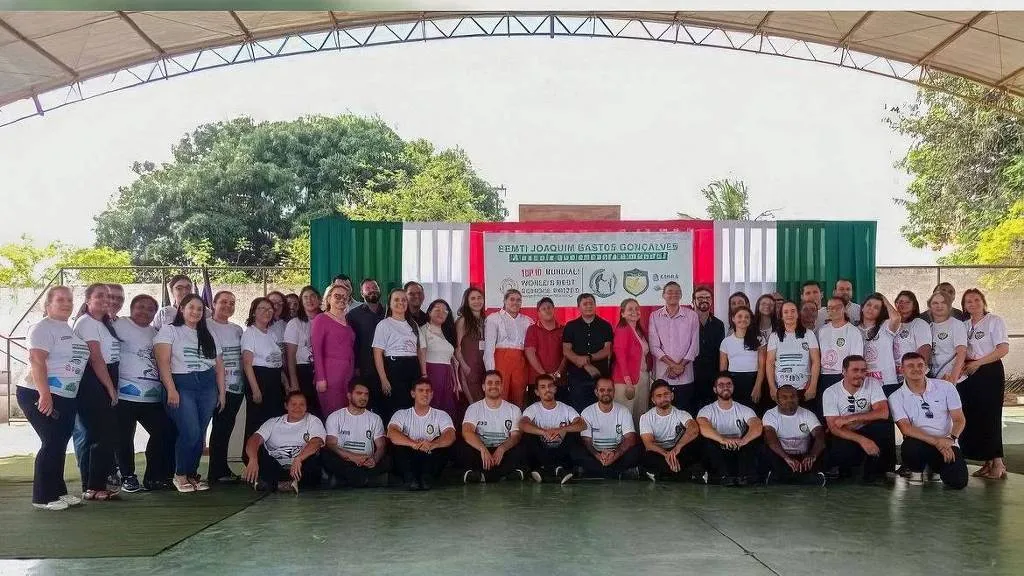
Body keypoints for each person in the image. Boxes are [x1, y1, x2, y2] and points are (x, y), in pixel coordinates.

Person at [18, 286, 87, 510]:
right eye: (60, 300)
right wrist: (44, 394)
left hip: (66, 395)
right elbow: (37, 360)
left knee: (59, 443)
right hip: (39, 392)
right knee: (51, 442)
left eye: (69, 299)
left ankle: (58, 492)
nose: (67, 303)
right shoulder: (42, 328)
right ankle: (42, 497)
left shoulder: (68, 328)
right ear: (47, 305)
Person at [154, 293, 225, 492]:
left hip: (207, 385)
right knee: (190, 431)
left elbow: (219, 365)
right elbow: (163, 362)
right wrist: (171, 389)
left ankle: (192, 474)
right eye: (191, 307)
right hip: (182, 384)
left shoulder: (208, 333)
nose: (195, 312)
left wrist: (222, 393)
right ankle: (180, 474)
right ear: (181, 309)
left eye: (200, 309)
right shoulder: (169, 330)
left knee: (200, 433)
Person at [113, 294, 174, 492]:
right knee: (124, 437)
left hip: (152, 396)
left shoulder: (155, 332)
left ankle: (154, 477)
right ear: (131, 308)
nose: (145, 311)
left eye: (150, 309)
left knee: (165, 431)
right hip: (124, 394)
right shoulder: (119, 324)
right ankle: (127, 476)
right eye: (140, 307)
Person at [889, 352, 968, 489]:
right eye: (910, 366)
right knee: (910, 447)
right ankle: (916, 471)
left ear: (926, 368)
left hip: (947, 443)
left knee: (958, 482)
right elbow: (906, 428)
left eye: (920, 365)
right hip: (921, 443)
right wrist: (937, 442)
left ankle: (935, 469)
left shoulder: (946, 387)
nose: (916, 369)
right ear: (901, 369)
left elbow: (959, 419)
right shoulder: (895, 397)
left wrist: (951, 439)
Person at [72, 283, 121, 500]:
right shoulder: (86, 323)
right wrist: (110, 388)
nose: (105, 300)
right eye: (99, 296)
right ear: (88, 299)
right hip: (93, 379)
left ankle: (95, 484)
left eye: (108, 296)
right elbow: (96, 358)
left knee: (103, 434)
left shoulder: (104, 323)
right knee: (98, 434)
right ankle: (92, 486)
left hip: (107, 375)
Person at [960, 288, 1010, 480]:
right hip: (968, 373)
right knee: (975, 417)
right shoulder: (964, 325)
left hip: (989, 372)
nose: (973, 304)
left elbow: (1003, 349)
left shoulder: (994, 321)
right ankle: (987, 462)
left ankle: (998, 462)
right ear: (964, 306)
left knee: (991, 416)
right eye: (968, 301)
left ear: (983, 301)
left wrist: (978, 363)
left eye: (976, 299)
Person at [822, 355, 894, 483]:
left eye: (863, 370)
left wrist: (849, 419)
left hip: (865, 428)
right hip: (846, 433)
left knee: (883, 425)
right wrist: (863, 440)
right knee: (842, 451)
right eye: (855, 370)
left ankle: (880, 471)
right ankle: (845, 469)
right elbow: (833, 427)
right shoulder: (830, 392)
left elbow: (883, 412)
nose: (860, 374)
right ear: (844, 371)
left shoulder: (872, 383)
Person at [242, 390, 326, 494]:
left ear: (306, 406)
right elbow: (255, 439)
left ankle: (272, 485)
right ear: (286, 406)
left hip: (299, 468)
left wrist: (299, 458)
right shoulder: (273, 422)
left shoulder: (313, 420)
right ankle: (285, 485)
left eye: (302, 404)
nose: (298, 408)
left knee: (317, 457)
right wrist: (253, 459)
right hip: (276, 467)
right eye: (293, 404)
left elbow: (316, 442)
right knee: (251, 451)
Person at [387, 378, 456, 490]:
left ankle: (426, 479)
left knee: (443, 446)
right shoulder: (401, 414)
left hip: (429, 455)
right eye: (421, 390)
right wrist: (413, 444)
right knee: (398, 447)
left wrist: (433, 444)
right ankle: (410, 480)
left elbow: (450, 435)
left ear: (432, 394)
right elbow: (392, 433)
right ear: (413, 394)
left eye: (428, 391)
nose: (425, 394)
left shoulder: (441, 415)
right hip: (409, 458)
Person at [458, 370, 526, 483]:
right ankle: (504, 475)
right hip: (481, 452)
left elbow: (516, 436)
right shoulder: (474, 408)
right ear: (483, 387)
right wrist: (482, 448)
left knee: (522, 446)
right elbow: (467, 432)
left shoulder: (513, 409)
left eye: (497, 383)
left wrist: (502, 448)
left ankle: (482, 476)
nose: (493, 386)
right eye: (489, 383)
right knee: (462, 446)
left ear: (502, 386)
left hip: (503, 453)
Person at [206, 291, 245, 484]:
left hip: (235, 388)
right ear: (213, 303)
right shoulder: (204, 326)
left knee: (224, 428)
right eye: (223, 302)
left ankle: (219, 469)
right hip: (212, 387)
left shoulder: (237, 329)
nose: (228, 306)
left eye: (232, 302)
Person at [696, 374, 762, 486]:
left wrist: (744, 441)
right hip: (718, 450)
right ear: (715, 389)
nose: (725, 387)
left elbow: (757, 425)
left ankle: (744, 477)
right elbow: (703, 426)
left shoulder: (744, 409)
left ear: (733, 387)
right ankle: (722, 476)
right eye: (721, 385)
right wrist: (722, 440)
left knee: (753, 441)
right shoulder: (706, 410)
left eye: (728, 384)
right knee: (707, 442)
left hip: (738, 448)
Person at [242, 297, 287, 455]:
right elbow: (247, 364)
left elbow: (278, 364)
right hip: (259, 380)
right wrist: (255, 390)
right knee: (257, 423)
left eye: (270, 309)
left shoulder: (272, 334)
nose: (267, 312)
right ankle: (252, 461)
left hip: (275, 382)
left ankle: (270, 461)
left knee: (273, 423)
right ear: (254, 312)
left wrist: (286, 385)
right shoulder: (250, 333)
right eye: (262, 308)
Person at [519, 374, 584, 484]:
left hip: (561, 451)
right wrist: (543, 432)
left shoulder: (566, 408)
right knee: (528, 435)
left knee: (574, 433)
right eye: (543, 387)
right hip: (540, 452)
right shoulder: (533, 408)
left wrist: (561, 430)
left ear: (555, 389)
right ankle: (557, 470)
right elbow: (522, 424)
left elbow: (582, 424)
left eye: (550, 386)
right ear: (537, 392)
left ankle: (545, 470)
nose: (547, 389)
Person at [322, 381, 388, 488]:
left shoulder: (375, 418)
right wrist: (353, 457)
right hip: (344, 461)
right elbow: (331, 444)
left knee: (388, 460)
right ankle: (362, 479)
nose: (363, 397)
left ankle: (351, 480)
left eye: (366, 394)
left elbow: (381, 446)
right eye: (359, 393)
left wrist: (374, 460)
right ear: (349, 395)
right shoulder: (335, 417)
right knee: (326, 456)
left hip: (367, 462)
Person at [572, 378, 641, 479]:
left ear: (614, 392)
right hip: (596, 456)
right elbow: (586, 441)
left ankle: (595, 472)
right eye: (602, 390)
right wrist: (598, 456)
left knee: (638, 451)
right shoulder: (587, 412)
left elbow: (630, 439)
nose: (606, 393)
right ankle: (618, 473)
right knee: (576, 451)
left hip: (617, 455)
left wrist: (615, 455)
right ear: (596, 392)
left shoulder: (623, 411)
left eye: (609, 390)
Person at [647, 282, 699, 415]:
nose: (673, 294)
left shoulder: (692, 315)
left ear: (681, 295)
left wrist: (681, 366)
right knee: (663, 413)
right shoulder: (654, 316)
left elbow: (694, 346)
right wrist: (674, 365)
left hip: (685, 375)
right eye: (669, 292)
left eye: (677, 292)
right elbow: (654, 346)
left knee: (685, 413)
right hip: (663, 375)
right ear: (663, 295)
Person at [761, 385, 827, 486]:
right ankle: (800, 478)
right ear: (777, 400)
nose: (789, 400)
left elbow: (819, 436)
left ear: (798, 398)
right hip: (781, 456)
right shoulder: (770, 415)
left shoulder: (808, 414)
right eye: (784, 397)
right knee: (767, 450)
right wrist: (786, 457)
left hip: (803, 457)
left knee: (822, 447)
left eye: (793, 396)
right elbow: (771, 439)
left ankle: (785, 478)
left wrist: (812, 455)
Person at [639, 380, 702, 482]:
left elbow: (694, 430)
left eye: (666, 394)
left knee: (697, 444)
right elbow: (648, 444)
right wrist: (667, 454)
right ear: (653, 400)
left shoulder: (682, 414)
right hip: (659, 453)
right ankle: (683, 474)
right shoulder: (646, 417)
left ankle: (664, 474)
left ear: (672, 396)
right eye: (658, 396)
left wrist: (678, 447)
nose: (663, 398)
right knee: (645, 454)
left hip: (677, 452)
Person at [372, 288, 421, 421]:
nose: (401, 302)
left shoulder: (413, 325)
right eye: (397, 299)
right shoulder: (384, 324)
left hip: (413, 367)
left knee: (412, 405)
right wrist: (384, 379)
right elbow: (377, 353)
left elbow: (419, 350)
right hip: (394, 368)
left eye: (404, 300)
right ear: (390, 303)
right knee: (396, 407)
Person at [561, 292, 615, 413]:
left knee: (600, 410)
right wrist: (585, 364)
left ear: (595, 305)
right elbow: (566, 350)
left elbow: (607, 350)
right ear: (578, 307)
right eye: (585, 304)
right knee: (578, 411)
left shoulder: (605, 326)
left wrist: (589, 359)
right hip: (577, 378)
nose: (589, 306)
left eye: (591, 303)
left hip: (599, 376)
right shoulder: (570, 326)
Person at [766, 301, 821, 414]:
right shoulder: (774, 336)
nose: (789, 314)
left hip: (804, 388)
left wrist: (813, 386)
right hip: (781, 389)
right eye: (785, 312)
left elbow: (816, 361)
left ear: (798, 314)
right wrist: (772, 387)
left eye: (792, 311)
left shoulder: (809, 334)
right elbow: (770, 362)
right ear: (781, 316)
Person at [311, 284, 355, 418]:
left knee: (346, 416)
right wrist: (320, 378)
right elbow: (316, 350)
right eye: (337, 296)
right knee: (333, 416)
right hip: (330, 376)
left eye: (345, 297)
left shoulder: (348, 321)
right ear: (328, 298)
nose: (341, 299)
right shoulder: (321, 319)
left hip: (347, 376)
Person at [484, 289, 534, 408]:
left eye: (518, 300)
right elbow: (489, 349)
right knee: (500, 395)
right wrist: (490, 372)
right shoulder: (493, 318)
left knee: (519, 397)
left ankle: (516, 425)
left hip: (520, 362)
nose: (515, 302)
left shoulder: (527, 321)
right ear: (504, 301)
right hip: (501, 360)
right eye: (512, 299)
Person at [816, 296, 864, 405]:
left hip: (843, 376)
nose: (834, 310)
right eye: (830, 308)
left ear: (845, 309)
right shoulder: (822, 330)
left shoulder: (853, 331)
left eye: (838, 307)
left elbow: (856, 360)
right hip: (824, 377)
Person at [347, 278, 386, 410]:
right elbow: (352, 344)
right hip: (364, 368)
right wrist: (356, 367)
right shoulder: (353, 315)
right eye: (368, 288)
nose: (372, 290)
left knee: (386, 404)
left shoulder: (388, 312)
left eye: (374, 287)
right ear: (362, 293)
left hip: (387, 368)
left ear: (379, 290)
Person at [284, 285, 321, 417]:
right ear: (301, 301)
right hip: (303, 371)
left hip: (322, 371)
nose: (309, 300)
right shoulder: (294, 323)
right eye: (305, 297)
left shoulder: (326, 320)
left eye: (313, 296)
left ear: (320, 300)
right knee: (307, 411)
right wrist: (294, 381)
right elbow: (290, 355)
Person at [612, 298, 651, 425]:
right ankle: (626, 443)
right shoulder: (622, 330)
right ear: (622, 313)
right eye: (630, 309)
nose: (634, 312)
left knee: (641, 415)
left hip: (642, 377)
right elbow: (620, 357)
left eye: (636, 309)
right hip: (626, 381)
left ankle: (639, 443)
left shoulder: (640, 331)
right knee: (626, 416)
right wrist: (628, 382)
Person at [419, 299, 460, 417]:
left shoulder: (448, 333)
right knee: (432, 407)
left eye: (445, 311)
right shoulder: (423, 330)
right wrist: (424, 375)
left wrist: (456, 382)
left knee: (447, 409)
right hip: (431, 374)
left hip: (447, 375)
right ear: (429, 312)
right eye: (437, 309)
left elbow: (452, 359)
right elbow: (421, 353)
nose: (441, 313)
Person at [719, 306, 764, 410]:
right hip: (733, 382)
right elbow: (723, 370)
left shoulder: (759, 339)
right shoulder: (726, 342)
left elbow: (762, 367)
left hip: (753, 380)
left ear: (750, 320)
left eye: (746, 317)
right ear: (733, 319)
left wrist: (757, 387)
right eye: (739, 316)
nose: (743, 319)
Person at [859, 293, 902, 397]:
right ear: (862, 308)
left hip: (887, 381)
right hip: (863, 382)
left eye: (876, 307)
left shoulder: (885, 326)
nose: (871, 309)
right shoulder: (853, 329)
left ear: (880, 312)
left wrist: (884, 299)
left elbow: (896, 318)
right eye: (869, 305)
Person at [524, 297, 566, 399]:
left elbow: (567, 354)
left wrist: (558, 373)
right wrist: (545, 375)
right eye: (543, 309)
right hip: (537, 381)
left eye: (549, 307)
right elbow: (530, 353)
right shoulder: (532, 329)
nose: (547, 310)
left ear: (554, 309)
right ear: (538, 313)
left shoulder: (564, 329)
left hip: (559, 381)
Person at [693, 285, 726, 412]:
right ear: (694, 300)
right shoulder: (687, 321)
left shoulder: (719, 324)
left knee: (712, 411)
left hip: (712, 375)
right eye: (700, 297)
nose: (704, 300)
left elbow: (720, 352)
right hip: (692, 374)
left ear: (711, 300)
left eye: (707, 297)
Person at [455, 287, 488, 404]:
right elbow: (457, 348)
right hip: (469, 367)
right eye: (473, 298)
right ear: (467, 302)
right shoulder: (463, 321)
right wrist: (464, 367)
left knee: (485, 402)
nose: (477, 301)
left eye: (479, 298)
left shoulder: (486, 320)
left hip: (483, 366)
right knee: (473, 403)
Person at [927, 292, 968, 385]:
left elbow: (962, 352)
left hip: (954, 380)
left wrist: (953, 378)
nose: (939, 306)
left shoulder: (956, 324)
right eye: (935, 303)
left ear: (949, 305)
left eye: (943, 302)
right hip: (935, 379)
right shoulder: (929, 327)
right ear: (930, 306)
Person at [894, 290, 932, 387]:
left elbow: (925, 349)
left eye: (908, 302)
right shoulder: (890, 324)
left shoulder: (919, 324)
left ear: (914, 305)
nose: (903, 304)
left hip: (913, 376)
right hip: (895, 377)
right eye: (900, 301)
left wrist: (916, 372)